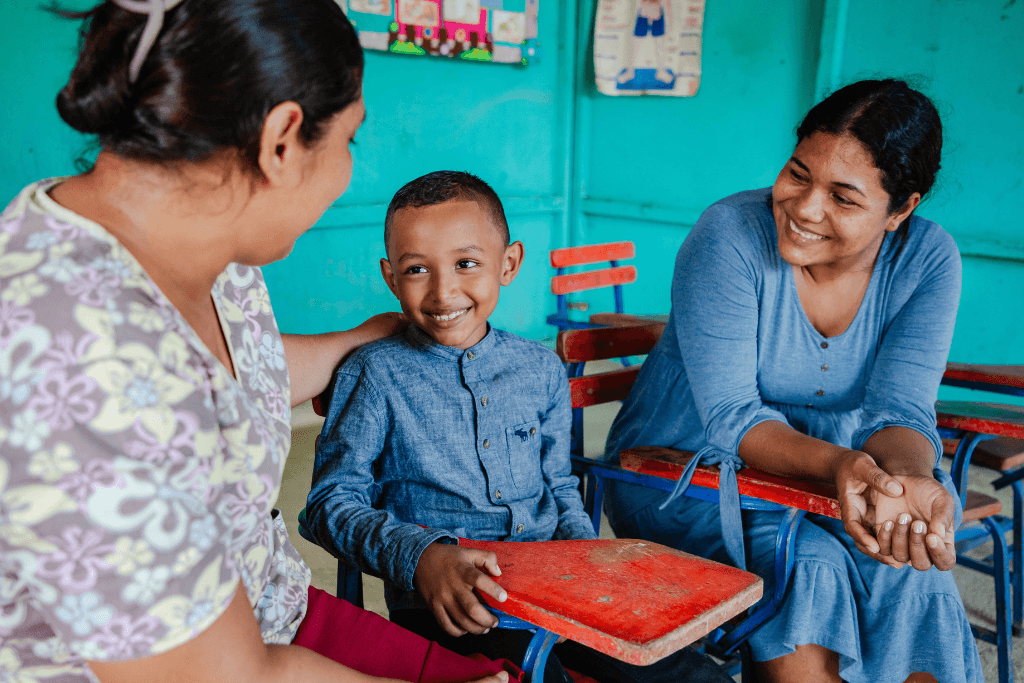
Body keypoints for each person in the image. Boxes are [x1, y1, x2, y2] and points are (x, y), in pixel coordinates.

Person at [0, 2, 519, 682]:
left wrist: (357, 339)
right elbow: (228, 675)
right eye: (349, 142)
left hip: (272, 601)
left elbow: (235, 370)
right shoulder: (72, 362)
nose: (347, 174)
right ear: (282, 140)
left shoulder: (210, 241)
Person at [602, 78, 983, 683]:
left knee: (909, 563)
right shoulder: (727, 236)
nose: (805, 208)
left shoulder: (929, 260)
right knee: (811, 565)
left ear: (901, 209)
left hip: (836, 474)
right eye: (798, 174)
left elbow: (901, 412)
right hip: (683, 471)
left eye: (844, 197)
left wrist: (907, 481)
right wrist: (842, 466)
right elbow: (732, 418)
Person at [305, 171, 732, 683]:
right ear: (391, 278)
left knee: (693, 675)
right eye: (417, 269)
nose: (444, 291)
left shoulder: (539, 368)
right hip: (454, 604)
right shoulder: (375, 373)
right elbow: (328, 506)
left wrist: (588, 560)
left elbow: (558, 485)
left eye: (467, 263)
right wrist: (424, 559)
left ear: (508, 264)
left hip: (562, 586)